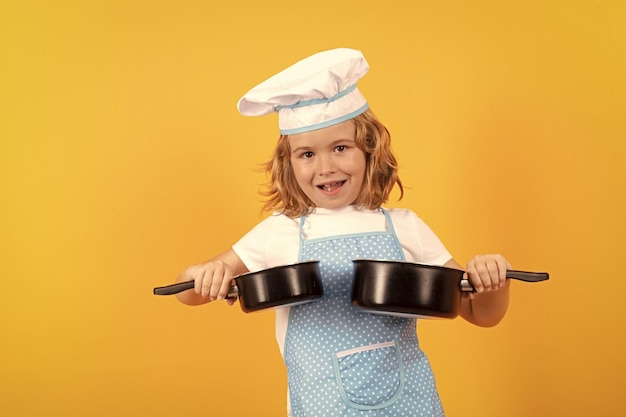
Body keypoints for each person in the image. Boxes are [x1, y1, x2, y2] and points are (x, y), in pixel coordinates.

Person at [174, 48, 511, 417]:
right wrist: (203, 274)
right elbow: (188, 293)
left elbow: (480, 313)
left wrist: (492, 279)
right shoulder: (278, 232)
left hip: (411, 404)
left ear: (370, 150)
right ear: (289, 164)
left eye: (340, 147)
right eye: (307, 154)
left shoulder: (403, 227)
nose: (326, 167)